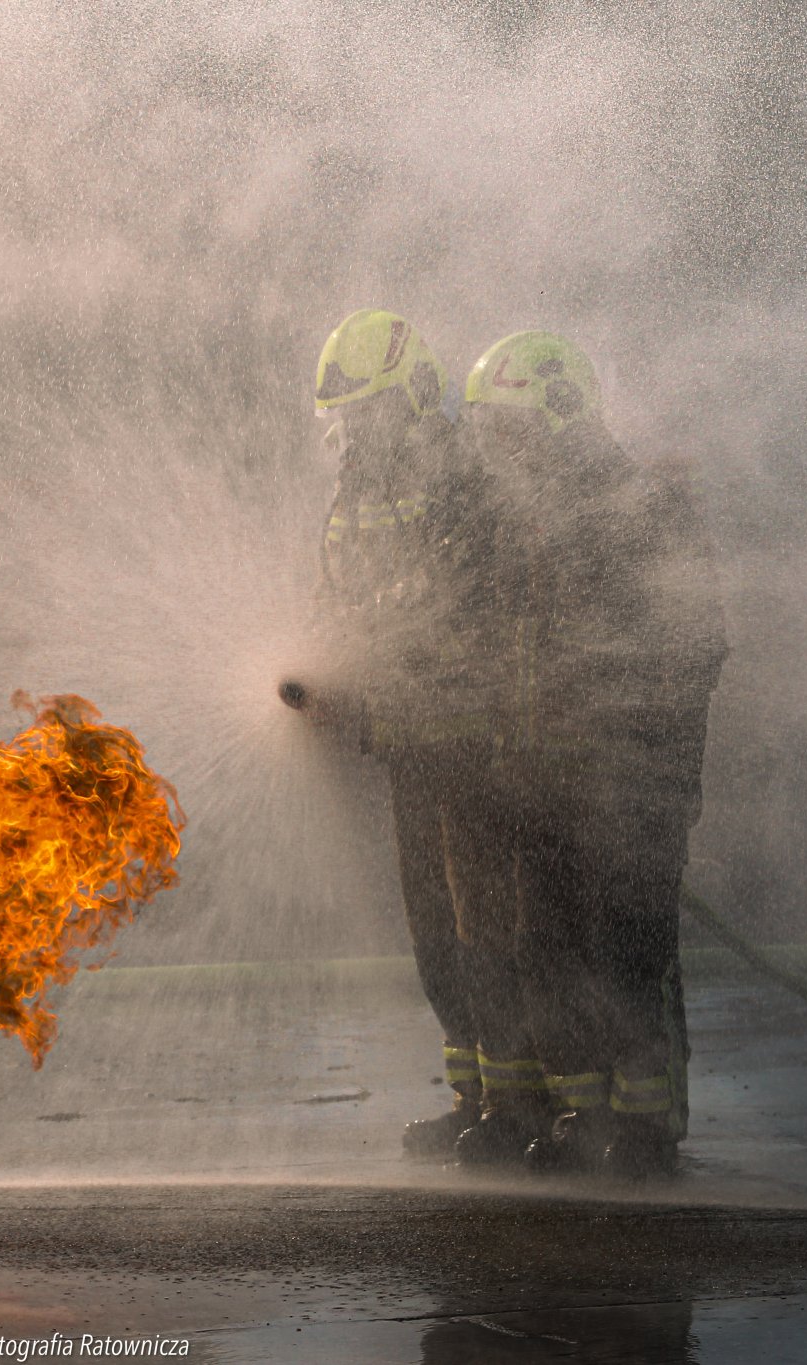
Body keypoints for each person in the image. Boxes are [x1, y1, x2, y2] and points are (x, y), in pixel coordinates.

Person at [460, 331, 728, 1178]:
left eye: (510, 429)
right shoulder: (522, 519)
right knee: (549, 951)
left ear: (561, 414)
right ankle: (584, 1116)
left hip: (628, 783)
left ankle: (648, 1125)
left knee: (629, 951)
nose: (499, 450)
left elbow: (694, 644)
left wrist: (641, 752)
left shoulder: (641, 507)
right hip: (538, 781)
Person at [304, 308, 544, 1160]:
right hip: (408, 740)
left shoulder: (461, 475)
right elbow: (338, 593)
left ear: (411, 394)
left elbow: (455, 592)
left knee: (489, 928)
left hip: (474, 743)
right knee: (436, 931)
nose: (355, 431)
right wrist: (323, 670)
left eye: (367, 410)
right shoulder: (356, 491)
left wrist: (365, 644)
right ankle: (473, 1096)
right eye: (346, 416)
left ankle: (517, 1106)